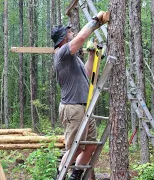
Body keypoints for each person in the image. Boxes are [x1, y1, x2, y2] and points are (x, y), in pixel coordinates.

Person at [51, 11, 107, 180]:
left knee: (89, 146)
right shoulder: (61, 54)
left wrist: (91, 55)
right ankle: (59, 175)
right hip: (73, 107)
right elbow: (81, 38)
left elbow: (88, 75)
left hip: (84, 107)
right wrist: (96, 21)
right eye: (69, 33)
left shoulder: (74, 59)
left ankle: (75, 176)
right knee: (75, 149)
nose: (72, 34)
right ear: (63, 39)